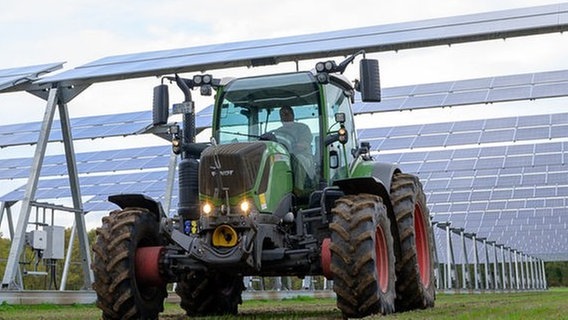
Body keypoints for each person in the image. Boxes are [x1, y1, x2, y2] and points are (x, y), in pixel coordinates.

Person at [274, 106, 315, 197]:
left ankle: (297, 191)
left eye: (286, 114)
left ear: (293, 115)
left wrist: (292, 146)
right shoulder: (278, 131)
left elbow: (304, 145)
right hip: (284, 157)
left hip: (303, 157)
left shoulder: (303, 128)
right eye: (281, 115)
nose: (284, 117)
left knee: (298, 158)